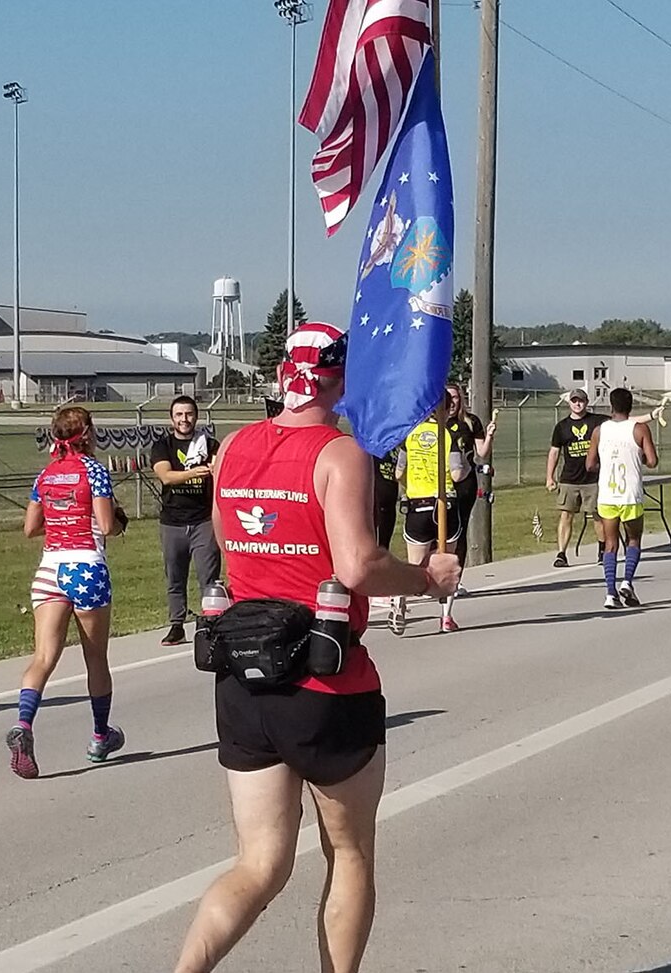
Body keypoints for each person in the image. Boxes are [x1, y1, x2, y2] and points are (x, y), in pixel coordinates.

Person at [176, 321, 459, 973]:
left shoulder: (235, 449)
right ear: (341, 380)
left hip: (245, 678)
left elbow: (224, 532)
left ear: (283, 377)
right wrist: (424, 577)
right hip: (326, 680)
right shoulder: (340, 454)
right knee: (350, 851)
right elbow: (358, 565)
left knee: (258, 862)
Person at [7, 406, 128, 780]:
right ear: (87, 434)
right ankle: (99, 735)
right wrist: (119, 520)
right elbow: (106, 526)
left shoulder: (44, 475)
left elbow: (30, 527)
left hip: (50, 569)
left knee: (43, 656)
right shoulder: (93, 470)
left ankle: (24, 725)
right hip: (86, 566)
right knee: (96, 659)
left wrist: (60, 520)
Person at [150, 396, 223, 647]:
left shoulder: (210, 445)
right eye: (179, 415)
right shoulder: (163, 446)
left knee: (209, 577)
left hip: (203, 521)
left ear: (196, 416)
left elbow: (222, 471)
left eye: (189, 414)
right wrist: (195, 472)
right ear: (172, 418)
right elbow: (166, 477)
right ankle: (176, 625)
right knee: (175, 577)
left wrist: (217, 469)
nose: (184, 419)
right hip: (173, 522)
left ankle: (211, 624)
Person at [393, 396, 468, 634]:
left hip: (418, 503)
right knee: (447, 561)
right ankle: (446, 616)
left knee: (415, 562)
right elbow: (456, 474)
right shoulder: (449, 436)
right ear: (445, 409)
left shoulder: (410, 435)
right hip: (444, 503)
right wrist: (467, 465)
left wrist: (409, 486)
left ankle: (400, 602)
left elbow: (398, 472)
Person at [587, 387, 659, 609]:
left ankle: (610, 592)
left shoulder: (600, 431)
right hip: (630, 494)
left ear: (611, 406)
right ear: (631, 407)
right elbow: (653, 461)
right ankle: (627, 581)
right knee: (633, 539)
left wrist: (605, 463)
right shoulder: (639, 429)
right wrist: (639, 460)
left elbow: (589, 465)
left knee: (610, 544)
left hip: (608, 495)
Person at [544, 389, 604, 568]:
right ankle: (561, 553)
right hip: (569, 479)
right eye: (574, 401)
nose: (578, 404)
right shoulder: (562, 427)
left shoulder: (597, 421)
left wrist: (650, 416)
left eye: (581, 401)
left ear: (587, 402)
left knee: (598, 516)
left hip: (593, 479)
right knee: (566, 515)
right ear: (569, 403)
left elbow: (622, 421)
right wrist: (550, 477)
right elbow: (554, 452)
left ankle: (602, 550)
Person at [442, 382, 493, 592]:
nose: (452, 402)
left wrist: (489, 435)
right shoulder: (436, 422)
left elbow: (481, 452)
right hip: (440, 482)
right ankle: (437, 578)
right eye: (448, 398)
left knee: (459, 530)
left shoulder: (470, 422)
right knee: (440, 531)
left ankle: (455, 579)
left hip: (464, 483)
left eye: (455, 397)